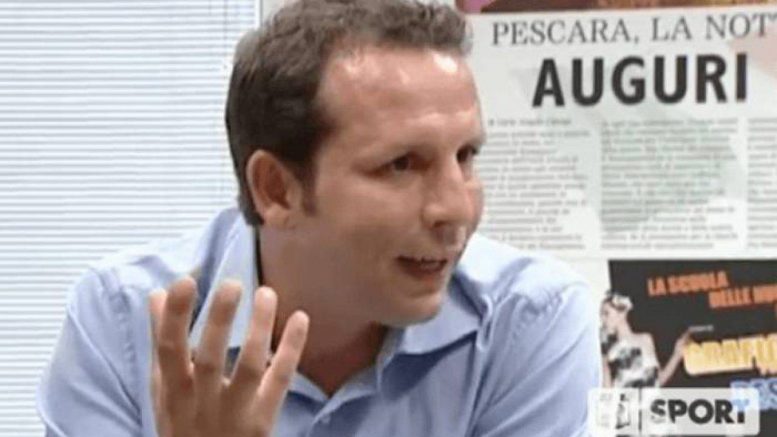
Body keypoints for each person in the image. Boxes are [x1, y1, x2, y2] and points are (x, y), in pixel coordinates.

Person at [37, 0, 600, 435]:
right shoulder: (121, 320)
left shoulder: (527, 320)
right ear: (276, 190)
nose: (456, 209)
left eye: (466, 156)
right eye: (401, 164)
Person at [600, 290, 690, 388]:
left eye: (606, 313)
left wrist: (677, 355)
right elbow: (608, 391)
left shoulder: (644, 340)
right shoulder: (608, 351)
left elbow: (657, 381)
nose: (603, 319)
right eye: (601, 315)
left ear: (622, 313)